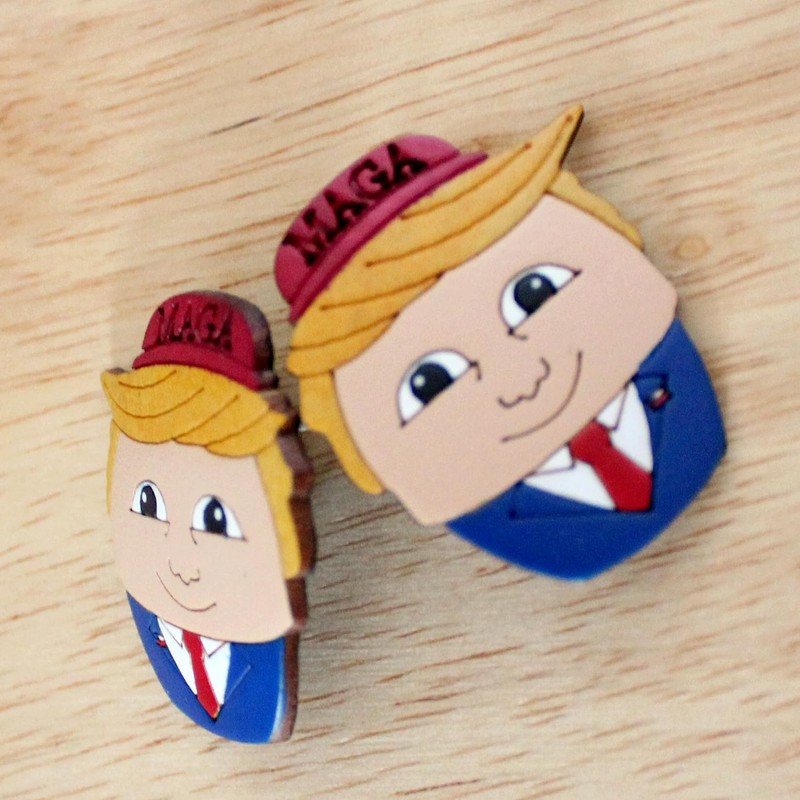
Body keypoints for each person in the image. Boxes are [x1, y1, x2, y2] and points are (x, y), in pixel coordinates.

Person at [275, 105, 725, 579]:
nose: (522, 379)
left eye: (535, 293)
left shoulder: (670, 376)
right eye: (431, 383)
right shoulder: (489, 510)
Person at [101, 292, 313, 742]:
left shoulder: (260, 634)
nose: (179, 561)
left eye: (215, 521)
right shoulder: (150, 607)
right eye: (148, 505)